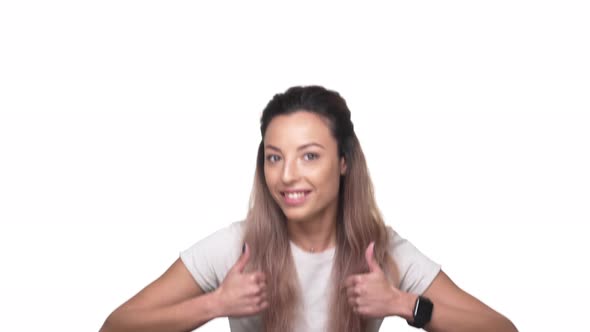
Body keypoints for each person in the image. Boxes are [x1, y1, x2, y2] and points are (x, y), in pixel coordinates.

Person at [99, 86, 518, 332]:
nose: (286, 176)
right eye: (275, 157)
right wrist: (216, 304)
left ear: (343, 162)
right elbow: (116, 326)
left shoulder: (382, 251)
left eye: (310, 156)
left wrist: (403, 304)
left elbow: (503, 330)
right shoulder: (236, 248)